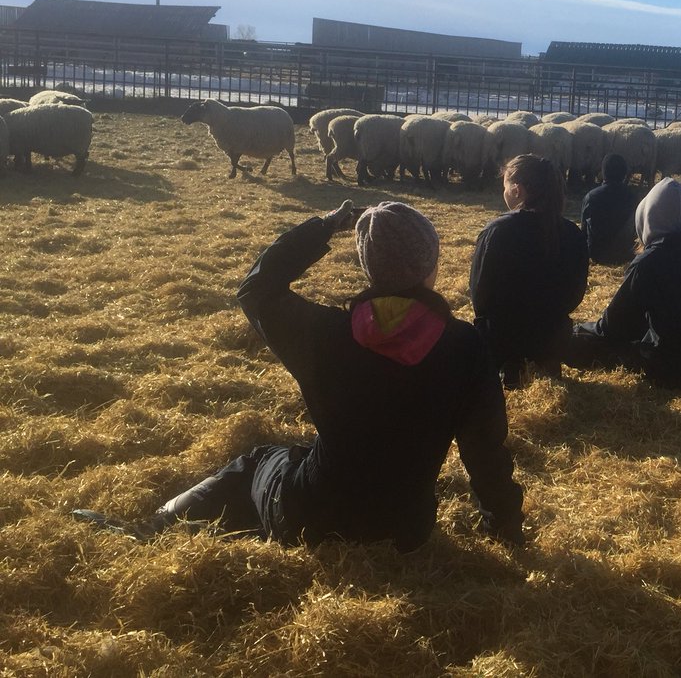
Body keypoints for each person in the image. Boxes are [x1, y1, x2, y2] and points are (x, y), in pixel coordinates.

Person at [73, 201, 524, 549]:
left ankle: (152, 529)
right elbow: (484, 448)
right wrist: (503, 527)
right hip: (405, 533)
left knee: (256, 462)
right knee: (292, 458)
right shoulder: (466, 346)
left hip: (311, 517)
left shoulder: (326, 333)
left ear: (368, 265)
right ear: (430, 265)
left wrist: (325, 224)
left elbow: (257, 288)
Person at [567, 177, 681, 388]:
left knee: (586, 343)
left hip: (666, 368)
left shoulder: (650, 261)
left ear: (648, 215)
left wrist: (578, 330)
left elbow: (614, 326)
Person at [470, 154, 590, 388]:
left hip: (502, 343)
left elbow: (480, 295)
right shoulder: (571, 233)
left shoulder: (498, 231)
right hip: (551, 339)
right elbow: (575, 293)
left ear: (517, 190)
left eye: (504, 185)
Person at [580, 153, 638, 265]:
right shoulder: (633, 197)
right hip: (625, 254)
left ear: (603, 173)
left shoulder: (591, 197)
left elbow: (583, 231)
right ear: (625, 174)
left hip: (597, 255)